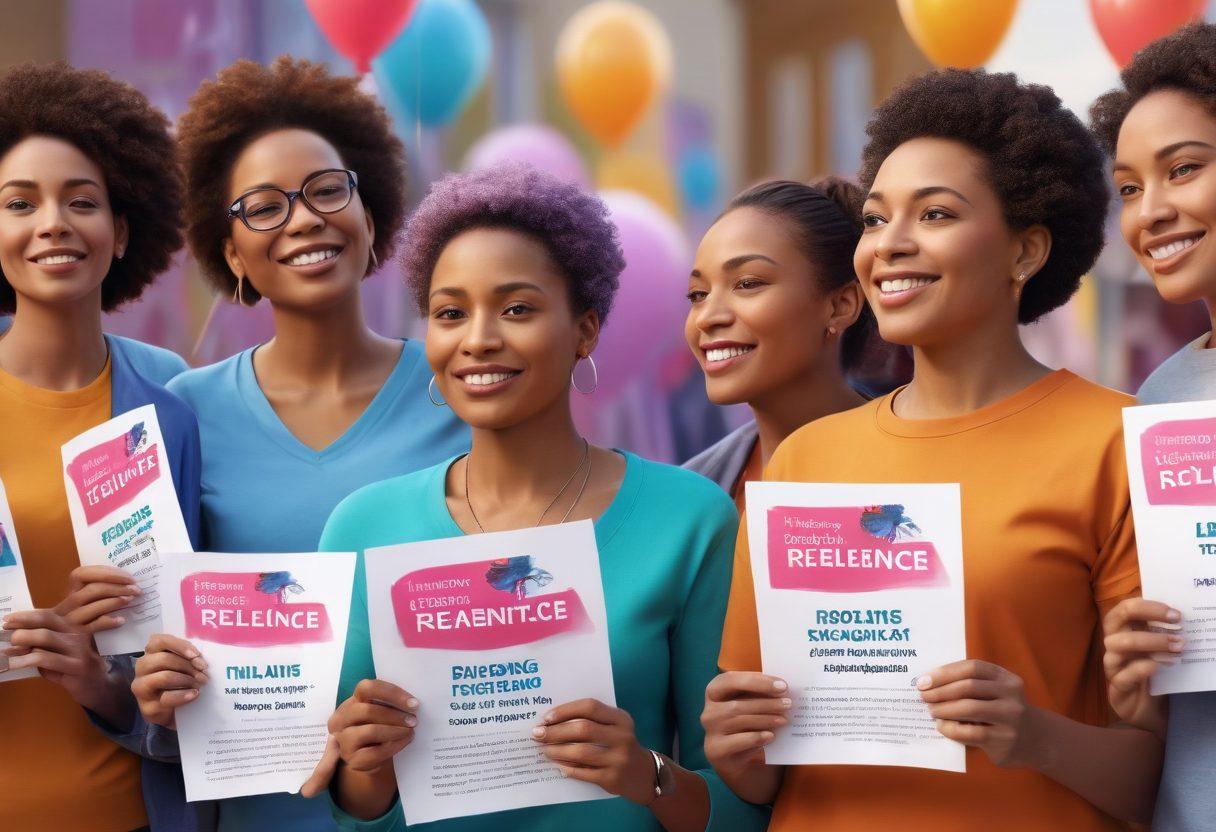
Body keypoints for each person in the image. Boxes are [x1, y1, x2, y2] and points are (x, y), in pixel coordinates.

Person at [702, 68, 1162, 829]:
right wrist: (735, 751)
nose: (892, 246)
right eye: (877, 220)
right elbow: (765, 777)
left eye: (936, 214)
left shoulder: (1115, 443)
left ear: (1026, 250)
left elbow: (1154, 780)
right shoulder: (805, 461)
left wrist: (1035, 736)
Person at [316, 163, 769, 831]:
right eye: (450, 313)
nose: (478, 339)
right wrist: (368, 767)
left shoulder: (690, 519)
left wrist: (645, 774)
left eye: (518, 308)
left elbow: (742, 804)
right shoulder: (364, 524)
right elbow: (353, 810)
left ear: (584, 330)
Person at [126, 57, 468, 832]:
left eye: (325, 190)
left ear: (370, 212)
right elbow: (154, 639)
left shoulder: (463, 390)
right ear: (234, 256)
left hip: (447, 807)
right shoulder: (183, 415)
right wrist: (158, 688)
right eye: (264, 207)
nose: (305, 218)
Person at [0, 61, 201, 832]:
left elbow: (180, 679)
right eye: (20, 203)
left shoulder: (167, 420)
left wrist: (99, 682)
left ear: (122, 232)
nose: (52, 222)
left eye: (81, 202)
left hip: (127, 818)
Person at [1091, 22, 1216, 831]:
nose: (1152, 212)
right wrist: (1133, 660)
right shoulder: (1163, 398)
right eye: (1130, 187)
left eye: (1184, 170)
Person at [682, 178, 873, 506]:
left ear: (841, 305)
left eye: (747, 283)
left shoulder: (924, 469)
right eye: (698, 294)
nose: (706, 317)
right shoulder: (693, 492)